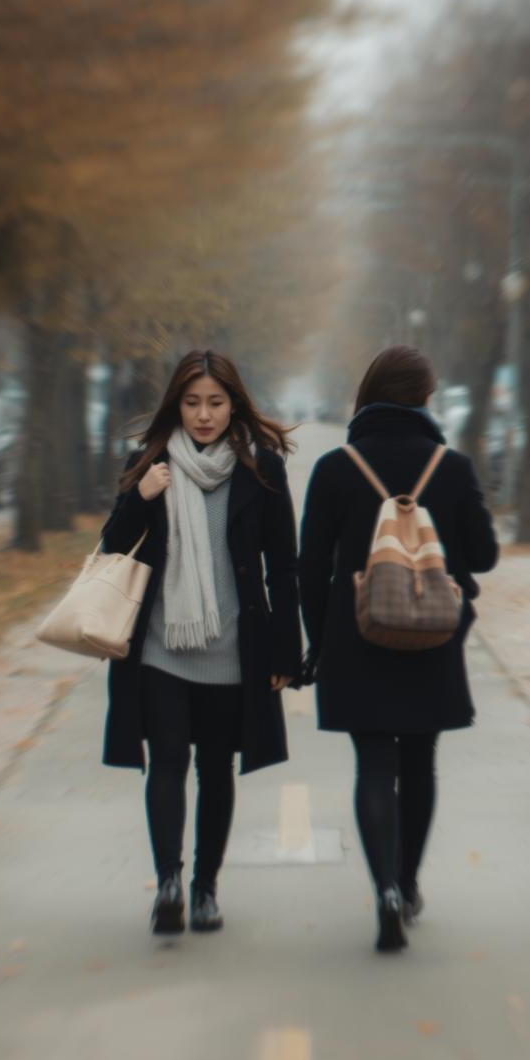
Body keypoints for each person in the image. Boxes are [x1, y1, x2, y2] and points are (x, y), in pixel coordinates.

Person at [298, 346, 498, 952]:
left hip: (357, 637)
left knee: (374, 768)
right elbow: (485, 555)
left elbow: (308, 566)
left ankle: (383, 888)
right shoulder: (453, 467)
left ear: (368, 395)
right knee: (419, 765)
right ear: (424, 399)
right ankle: (408, 884)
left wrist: (317, 642)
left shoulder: (335, 468)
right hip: (433, 637)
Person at [101, 350, 301, 936]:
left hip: (233, 650)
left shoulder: (260, 468)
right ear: (176, 404)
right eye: (192, 403)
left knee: (216, 769)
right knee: (166, 760)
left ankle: (205, 889)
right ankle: (168, 882)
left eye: (215, 402)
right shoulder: (150, 462)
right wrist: (142, 495)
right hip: (162, 647)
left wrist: (285, 653)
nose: (203, 415)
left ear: (233, 403)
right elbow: (112, 547)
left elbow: (283, 565)